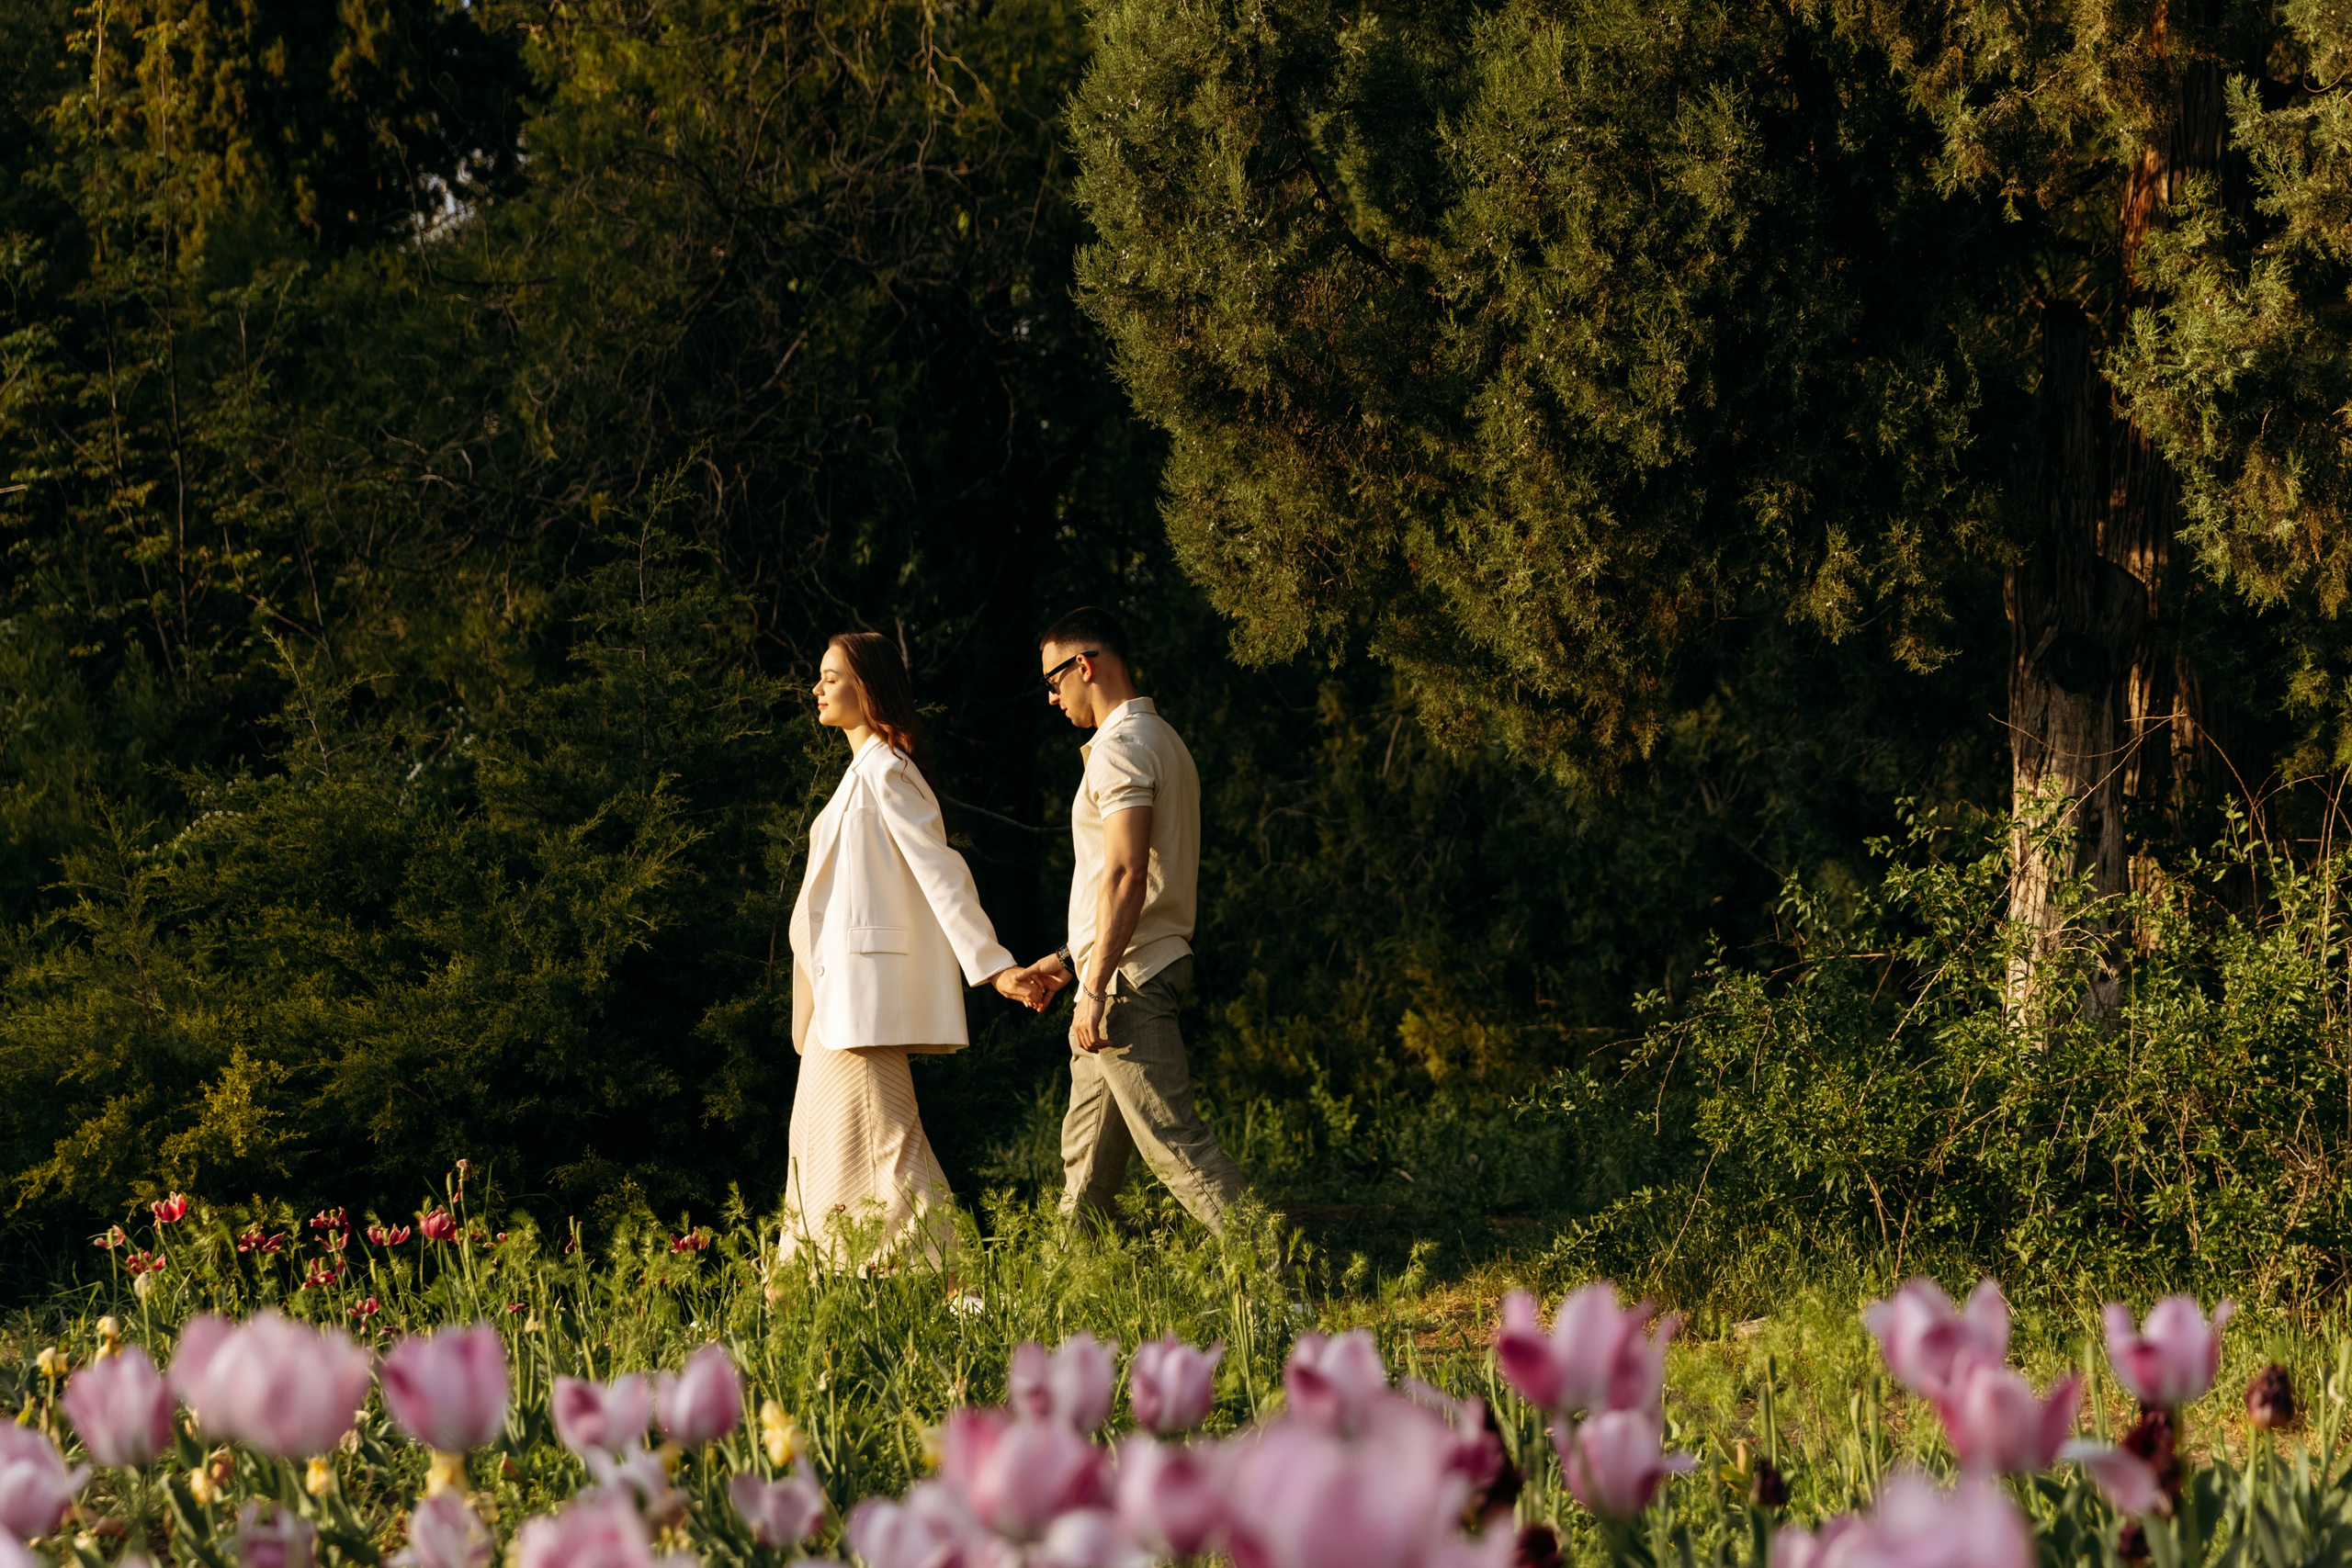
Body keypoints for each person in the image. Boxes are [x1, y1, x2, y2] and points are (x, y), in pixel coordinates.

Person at [783, 631, 1040, 1266]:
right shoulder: (856, 776)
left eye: (831, 676)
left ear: (867, 690)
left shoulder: (891, 772)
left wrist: (995, 964)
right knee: (820, 1147)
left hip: (861, 1008)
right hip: (833, 1008)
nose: (818, 687)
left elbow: (940, 870)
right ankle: (827, 1284)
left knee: (885, 1144)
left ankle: (952, 1275)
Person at [1003, 607, 1248, 1233]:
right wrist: (1066, 961)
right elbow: (1124, 882)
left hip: (1125, 983)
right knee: (1084, 1162)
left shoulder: (1122, 748)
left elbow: (1127, 876)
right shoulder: (1160, 739)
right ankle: (1072, 1299)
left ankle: (1283, 1286)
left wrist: (1093, 985)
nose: (1052, 698)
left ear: (1084, 664)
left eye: (1053, 682)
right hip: (1120, 970)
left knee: (1177, 1147)